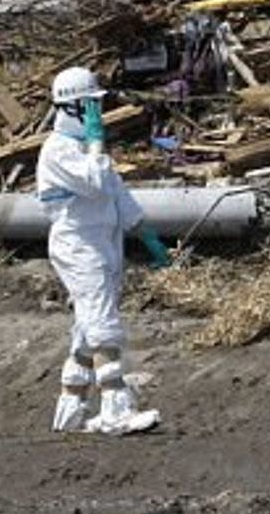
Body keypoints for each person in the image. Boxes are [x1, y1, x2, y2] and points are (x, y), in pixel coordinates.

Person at [36, 66, 171, 435]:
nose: (97, 115)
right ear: (72, 107)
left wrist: (146, 234)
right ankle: (116, 408)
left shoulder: (85, 149)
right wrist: (96, 142)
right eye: (91, 107)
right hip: (79, 245)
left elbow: (116, 194)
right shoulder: (59, 151)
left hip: (103, 242)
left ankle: (71, 410)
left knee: (87, 327)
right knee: (103, 326)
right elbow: (95, 184)